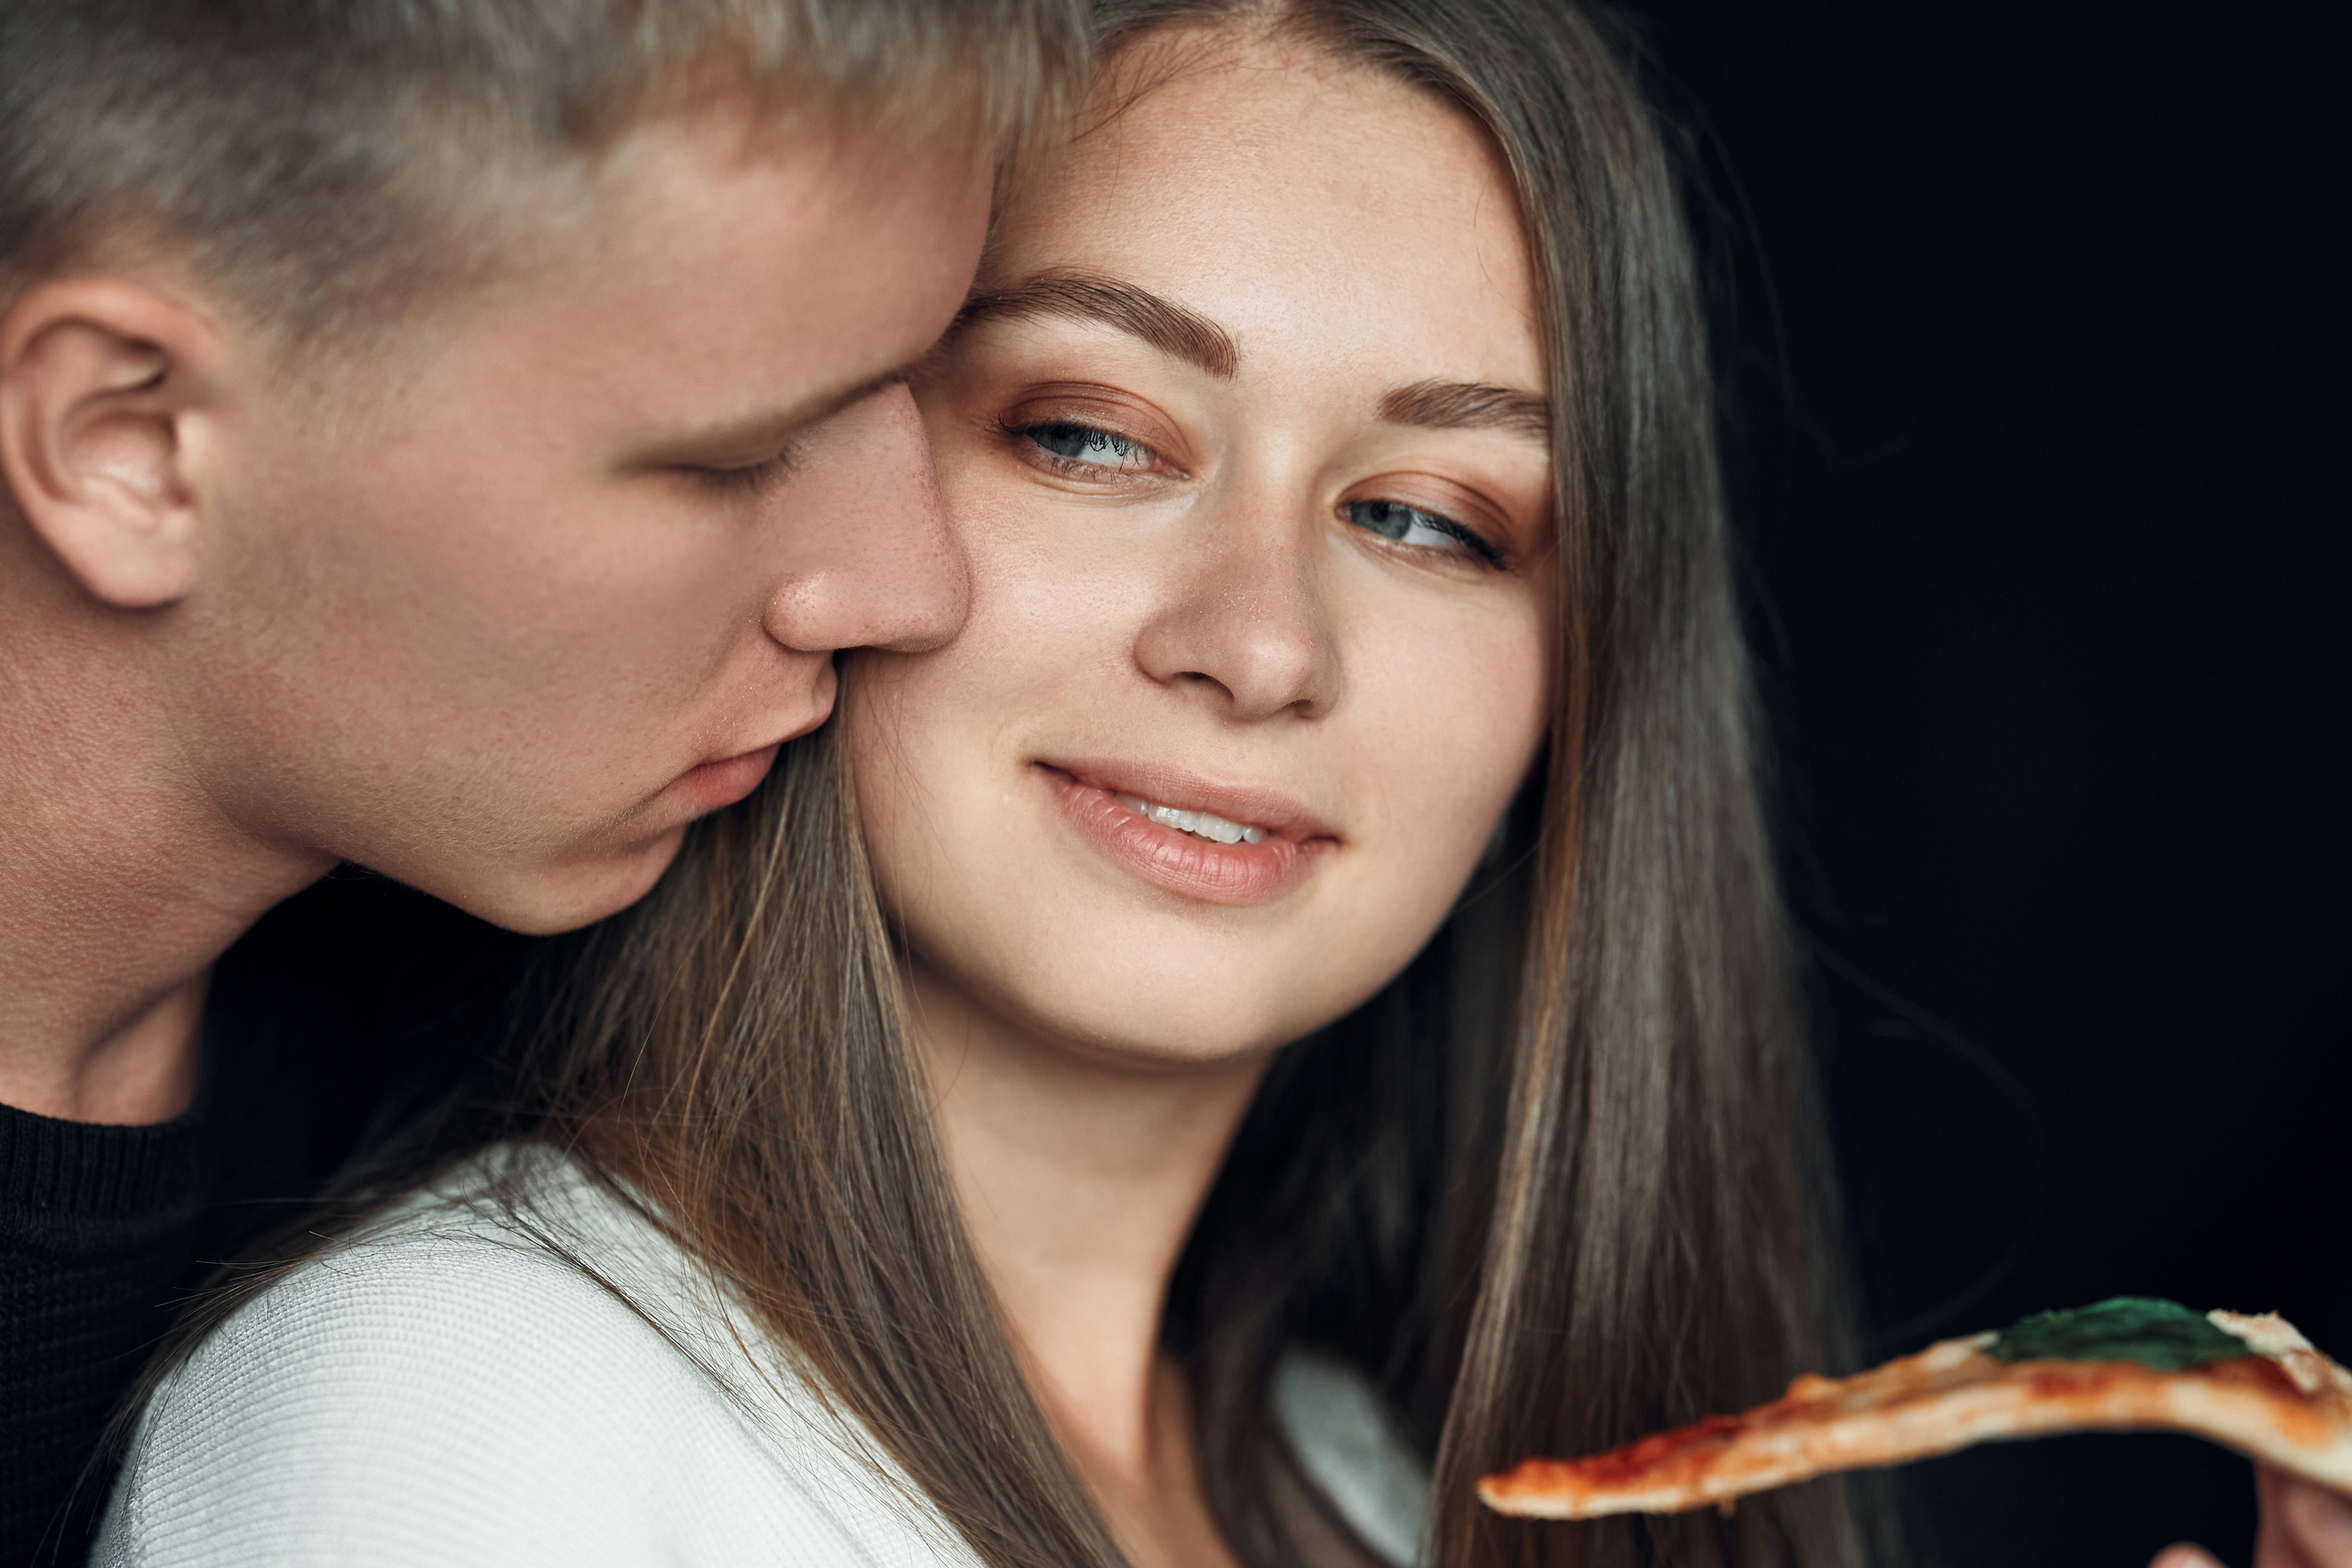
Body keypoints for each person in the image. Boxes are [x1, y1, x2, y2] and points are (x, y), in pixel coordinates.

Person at [88, 3, 2352, 1566]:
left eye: (1432, 516)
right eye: (1091, 431)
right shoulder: (459, 1411)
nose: (1257, 641)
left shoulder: (1365, 1485)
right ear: (830, 462)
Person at [0, 2, 1087, 1562]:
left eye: (917, 391)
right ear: (131, 441)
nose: (912, 587)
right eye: (735, 457)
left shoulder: (521, 1022)